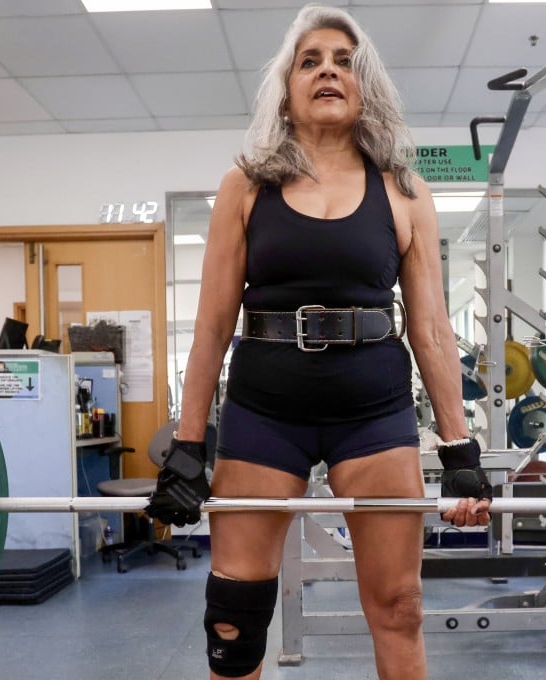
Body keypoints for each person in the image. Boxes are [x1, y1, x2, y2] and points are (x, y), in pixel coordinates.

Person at [147, 5, 492, 679]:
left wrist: (460, 450)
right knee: (234, 618)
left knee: (398, 604)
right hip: (263, 415)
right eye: (311, 61)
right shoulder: (245, 185)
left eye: (343, 61)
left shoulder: (403, 189)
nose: (328, 70)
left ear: (366, 86)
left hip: (375, 417)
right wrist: (189, 445)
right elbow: (213, 325)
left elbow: (429, 329)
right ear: (287, 89)